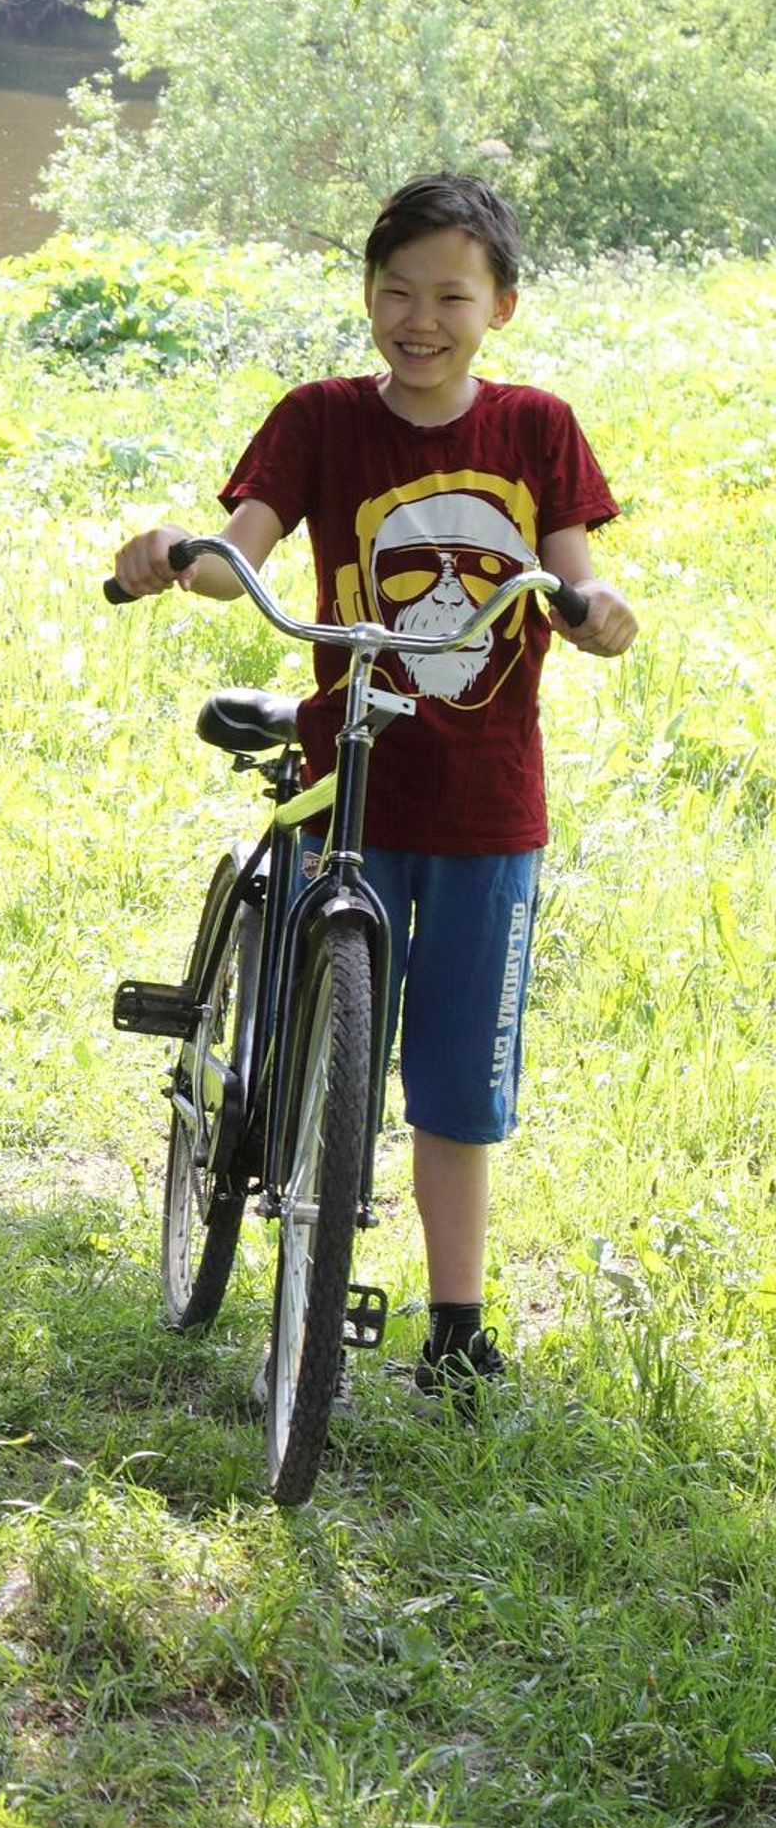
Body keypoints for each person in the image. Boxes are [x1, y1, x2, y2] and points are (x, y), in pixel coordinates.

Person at [113, 173, 637, 1401]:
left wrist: (600, 611)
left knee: (459, 1074)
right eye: (394, 290)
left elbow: (573, 575)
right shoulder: (320, 418)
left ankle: (456, 1322)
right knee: (304, 1053)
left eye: (450, 294)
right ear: (365, 293)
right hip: (346, 781)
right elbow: (235, 548)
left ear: (498, 306)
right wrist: (172, 556)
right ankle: (291, 1272)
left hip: (485, 806)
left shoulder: (535, 429)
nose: (419, 318)